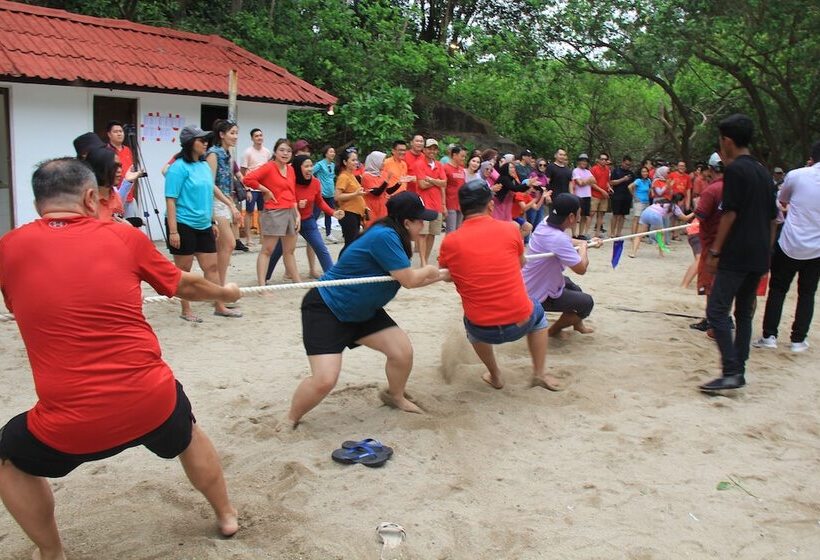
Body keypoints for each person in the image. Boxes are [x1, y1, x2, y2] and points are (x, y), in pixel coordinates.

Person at [0, 159, 240, 560]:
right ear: (91, 197)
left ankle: (51, 551)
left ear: (38, 202)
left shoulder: (8, 247)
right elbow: (186, 286)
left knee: (8, 453)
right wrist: (226, 292)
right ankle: (227, 514)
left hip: (69, 424)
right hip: (152, 403)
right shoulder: (123, 237)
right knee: (188, 430)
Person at [279, 192, 442, 429]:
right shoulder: (386, 236)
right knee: (324, 380)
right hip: (327, 308)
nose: (423, 225)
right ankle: (290, 418)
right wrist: (430, 271)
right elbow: (409, 280)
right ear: (407, 222)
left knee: (402, 352)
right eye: (420, 220)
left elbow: (407, 279)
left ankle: (394, 396)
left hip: (363, 310)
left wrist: (444, 275)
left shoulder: (393, 234)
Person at [438, 179, 562, 391]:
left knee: (470, 320)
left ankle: (495, 375)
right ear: (490, 205)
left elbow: (449, 275)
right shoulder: (511, 229)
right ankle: (539, 373)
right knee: (539, 315)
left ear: (461, 208)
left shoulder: (450, 241)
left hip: (481, 329)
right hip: (520, 322)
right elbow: (520, 262)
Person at [699, 114, 778, 392]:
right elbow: (773, 217)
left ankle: (731, 370)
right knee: (744, 313)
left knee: (717, 310)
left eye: (721, 140)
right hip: (759, 253)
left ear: (728, 141)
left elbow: (730, 213)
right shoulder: (763, 171)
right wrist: (766, 251)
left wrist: (716, 250)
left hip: (737, 252)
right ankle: (739, 369)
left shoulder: (734, 171)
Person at [753, 141, 820, 353]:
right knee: (807, 293)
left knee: (778, 290)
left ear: (812, 155)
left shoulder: (797, 175)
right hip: (816, 248)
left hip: (790, 242)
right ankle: (798, 339)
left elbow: (782, 200)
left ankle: (769, 335)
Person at [165, 125, 236, 322]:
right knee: (184, 270)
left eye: (206, 139)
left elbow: (208, 194)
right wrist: (173, 231)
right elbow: (170, 199)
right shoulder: (178, 168)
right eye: (201, 140)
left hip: (203, 224)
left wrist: (212, 220)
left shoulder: (204, 166)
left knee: (211, 267)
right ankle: (185, 309)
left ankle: (219, 305)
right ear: (190, 143)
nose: (206, 143)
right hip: (182, 223)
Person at [523, 193, 599, 338]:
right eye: (578, 213)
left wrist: (587, 243)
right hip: (536, 293)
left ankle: (577, 324)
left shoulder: (546, 222)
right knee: (586, 303)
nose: (579, 216)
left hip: (534, 280)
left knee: (574, 288)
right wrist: (584, 246)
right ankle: (554, 330)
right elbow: (581, 268)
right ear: (571, 217)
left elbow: (565, 241)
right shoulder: (557, 238)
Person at [267, 154, 344, 280]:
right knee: (278, 250)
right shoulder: (290, 182)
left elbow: (320, 202)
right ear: (298, 168)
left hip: (308, 221)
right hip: (290, 221)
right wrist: (296, 203)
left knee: (321, 248)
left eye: (311, 166)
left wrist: (333, 212)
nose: (310, 169)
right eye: (306, 166)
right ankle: (265, 276)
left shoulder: (315, 182)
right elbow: (282, 199)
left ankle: (332, 277)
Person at [243, 138, 301, 286]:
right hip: (274, 211)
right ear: (275, 151)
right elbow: (248, 179)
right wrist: (265, 190)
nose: (285, 153)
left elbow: (292, 192)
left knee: (289, 250)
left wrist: (297, 214)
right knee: (267, 250)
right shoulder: (269, 167)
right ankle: (262, 285)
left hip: (290, 211)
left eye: (288, 151)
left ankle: (297, 281)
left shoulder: (291, 169)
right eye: (282, 150)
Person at [206, 120, 244, 311]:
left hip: (226, 201)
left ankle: (217, 289)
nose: (235, 136)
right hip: (215, 202)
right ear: (222, 134)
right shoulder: (213, 153)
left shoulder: (228, 154)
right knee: (228, 244)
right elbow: (210, 184)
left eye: (236, 133)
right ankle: (218, 291)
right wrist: (228, 203)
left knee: (222, 247)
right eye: (232, 133)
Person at [689, 152, 725, 332]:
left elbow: (701, 214)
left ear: (711, 169)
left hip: (712, 243)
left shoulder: (712, 190)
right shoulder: (736, 187)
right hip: (730, 243)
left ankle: (713, 320)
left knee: (711, 284)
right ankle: (717, 317)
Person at [414, 139, 447, 265]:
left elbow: (444, 183)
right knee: (423, 233)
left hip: (436, 204)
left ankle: (426, 260)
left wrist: (431, 180)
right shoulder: (419, 164)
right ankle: (422, 262)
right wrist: (437, 181)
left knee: (432, 234)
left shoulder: (439, 164)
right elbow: (422, 184)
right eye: (429, 148)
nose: (432, 151)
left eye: (434, 148)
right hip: (423, 204)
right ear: (424, 149)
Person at [629, 193, 693, 258]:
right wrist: (695, 212)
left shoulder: (663, 201)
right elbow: (685, 218)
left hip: (646, 212)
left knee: (639, 235)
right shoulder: (674, 206)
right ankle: (661, 253)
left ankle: (633, 252)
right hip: (655, 215)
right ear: (680, 201)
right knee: (660, 234)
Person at [84, 146, 139, 222]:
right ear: (99, 168)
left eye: (120, 166)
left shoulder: (114, 194)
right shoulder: (86, 200)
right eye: (114, 166)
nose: (120, 170)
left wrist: (128, 181)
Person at [239, 128, 272, 248]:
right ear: (252, 138)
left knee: (262, 212)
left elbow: (269, 169)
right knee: (249, 212)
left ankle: (262, 237)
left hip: (262, 187)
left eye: (261, 135)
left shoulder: (267, 152)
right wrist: (246, 188)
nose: (259, 138)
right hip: (251, 188)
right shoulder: (247, 152)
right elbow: (242, 172)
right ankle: (248, 238)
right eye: (256, 136)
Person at [334, 148, 366, 253]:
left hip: (356, 214)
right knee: (350, 244)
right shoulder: (343, 176)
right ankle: (341, 267)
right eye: (352, 160)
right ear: (344, 162)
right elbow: (337, 196)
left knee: (353, 243)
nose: (356, 162)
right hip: (348, 214)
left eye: (356, 160)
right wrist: (356, 194)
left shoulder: (351, 175)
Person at [361, 151, 401, 228]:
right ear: (375, 162)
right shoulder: (366, 176)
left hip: (382, 207)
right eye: (382, 161)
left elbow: (386, 191)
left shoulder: (382, 173)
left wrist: (398, 183)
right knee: (371, 229)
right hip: (371, 208)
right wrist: (387, 180)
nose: (384, 163)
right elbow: (377, 193)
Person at [105, 120, 136, 215]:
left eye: (121, 131)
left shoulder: (127, 150)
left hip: (129, 196)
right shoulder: (106, 151)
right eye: (115, 132)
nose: (119, 134)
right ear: (109, 134)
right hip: (114, 196)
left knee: (132, 224)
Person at [313, 144, 339, 242]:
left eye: (333, 152)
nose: (333, 153)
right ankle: (310, 231)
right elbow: (310, 173)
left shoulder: (332, 165)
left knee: (329, 213)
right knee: (316, 213)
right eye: (331, 152)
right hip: (321, 194)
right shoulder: (319, 164)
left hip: (330, 194)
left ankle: (328, 234)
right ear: (326, 153)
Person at [570, 153, 596, 238]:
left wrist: (584, 181)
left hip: (587, 195)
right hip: (578, 196)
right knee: (576, 216)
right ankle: (574, 234)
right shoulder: (575, 171)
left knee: (584, 216)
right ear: (578, 161)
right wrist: (588, 180)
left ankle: (581, 234)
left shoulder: (588, 171)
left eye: (585, 161)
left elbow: (594, 181)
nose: (584, 163)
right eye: (582, 161)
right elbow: (580, 183)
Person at [608, 155, 635, 238]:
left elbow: (633, 185)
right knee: (615, 214)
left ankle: (618, 232)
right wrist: (623, 179)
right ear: (623, 162)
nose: (627, 166)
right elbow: (611, 182)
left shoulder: (631, 174)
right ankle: (612, 232)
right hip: (617, 195)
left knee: (623, 215)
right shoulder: (616, 171)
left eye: (629, 165)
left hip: (627, 196)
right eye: (626, 164)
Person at [443, 145, 466, 232]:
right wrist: (443, 205)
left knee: (459, 230)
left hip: (460, 204)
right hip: (450, 204)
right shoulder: (445, 168)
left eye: (464, 156)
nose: (463, 158)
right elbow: (443, 187)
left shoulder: (462, 169)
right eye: (462, 156)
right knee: (451, 231)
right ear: (454, 155)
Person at [590, 153, 611, 237]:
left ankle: (597, 234)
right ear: (598, 160)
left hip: (604, 195)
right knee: (591, 213)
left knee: (601, 214)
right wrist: (602, 190)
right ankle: (585, 232)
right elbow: (591, 183)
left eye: (605, 159)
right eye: (602, 159)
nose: (604, 161)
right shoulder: (594, 169)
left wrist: (609, 187)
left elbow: (607, 181)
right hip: (595, 194)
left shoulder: (607, 169)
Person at [628, 166, 652, 235]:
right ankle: (633, 235)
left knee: (643, 219)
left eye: (646, 171)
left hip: (646, 201)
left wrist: (649, 195)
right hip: (639, 202)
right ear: (640, 173)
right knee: (637, 218)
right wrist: (634, 196)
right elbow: (629, 187)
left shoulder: (648, 180)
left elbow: (650, 189)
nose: (645, 173)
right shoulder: (638, 180)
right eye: (643, 172)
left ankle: (639, 234)